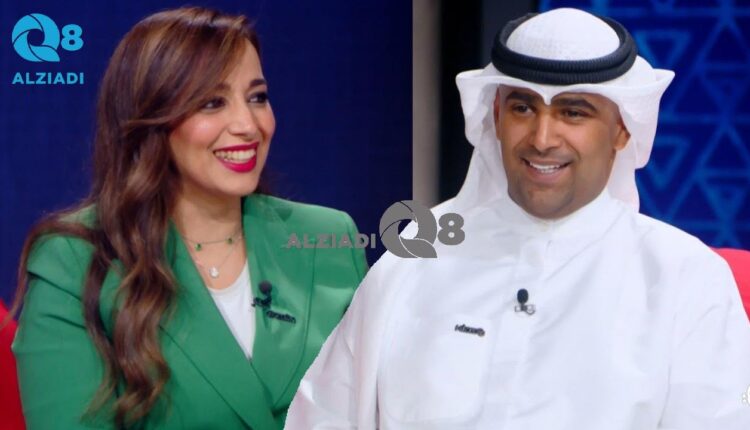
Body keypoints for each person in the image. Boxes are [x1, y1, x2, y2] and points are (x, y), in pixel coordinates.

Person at [285, 8, 750, 430]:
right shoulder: (416, 260)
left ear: (622, 130)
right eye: (523, 107)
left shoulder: (683, 280)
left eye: (573, 112)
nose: (542, 138)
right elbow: (323, 417)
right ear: (495, 115)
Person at [10, 7, 367, 430]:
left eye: (257, 97)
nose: (248, 125)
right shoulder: (75, 260)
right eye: (212, 103)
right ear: (151, 118)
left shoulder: (328, 237)